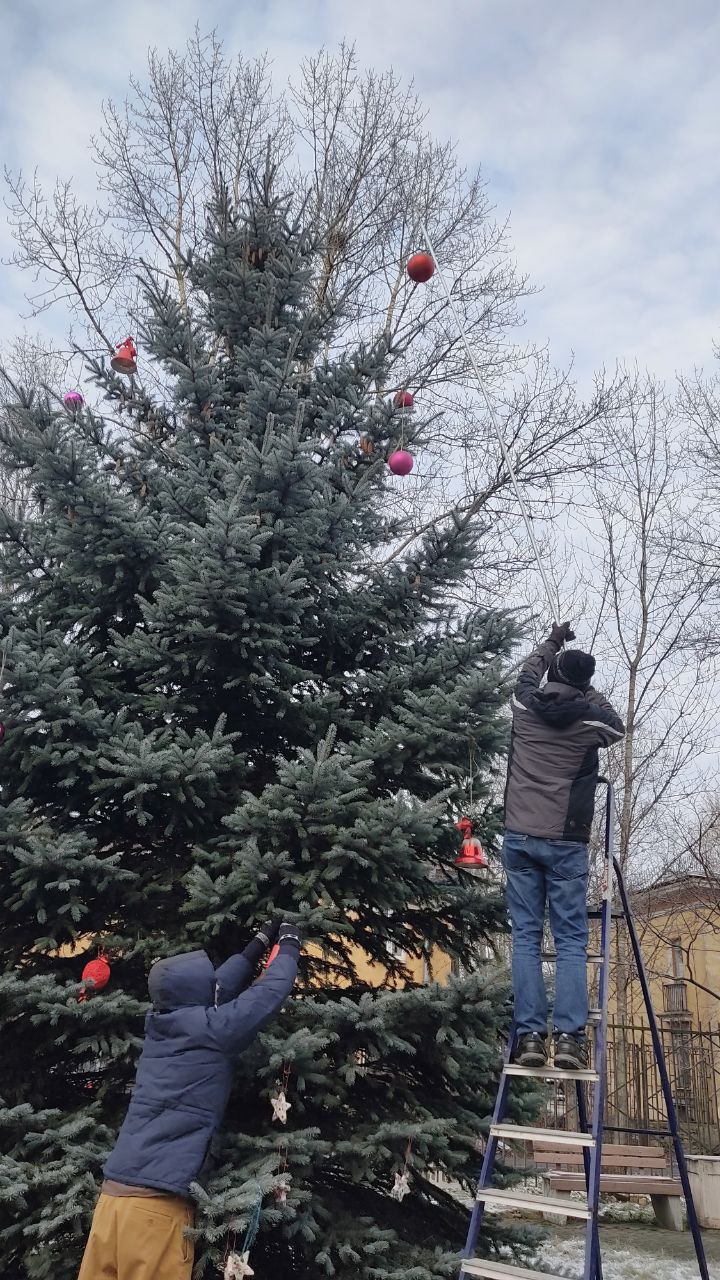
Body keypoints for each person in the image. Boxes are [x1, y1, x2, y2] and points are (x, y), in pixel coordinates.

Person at [77, 917, 301, 1280]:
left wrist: (257, 945)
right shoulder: (214, 1031)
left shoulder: (162, 1023)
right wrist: (289, 945)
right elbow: (267, 994)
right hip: (156, 1209)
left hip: (112, 1204)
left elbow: (218, 986)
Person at [503, 621, 625, 1071]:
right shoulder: (590, 719)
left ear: (551, 673)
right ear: (585, 683)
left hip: (518, 837)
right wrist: (585, 693)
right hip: (565, 843)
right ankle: (570, 1040)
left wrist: (554, 640)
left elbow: (524, 674)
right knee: (572, 941)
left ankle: (531, 1035)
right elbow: (618, 727)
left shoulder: (523, 705)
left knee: (525, 938)